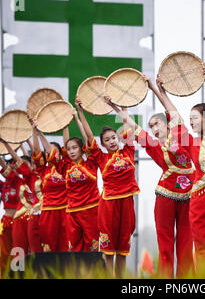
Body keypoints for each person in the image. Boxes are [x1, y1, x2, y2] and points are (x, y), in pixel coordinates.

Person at [106, 77, 195, 278]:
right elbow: (129, 124)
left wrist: (155, 88)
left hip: (189, 197)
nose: (154, 128)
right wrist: (114, 105)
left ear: (167, 123)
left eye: (157, 124)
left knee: (186, 245)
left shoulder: (181, 135)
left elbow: (172, 110)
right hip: (165, 197)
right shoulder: (154, 145)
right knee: (165, 246)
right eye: (151, 126)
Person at [153, 66, 205, 278]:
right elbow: (174, 115)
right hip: (198, 198)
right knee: (202, 248)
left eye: (195, 118)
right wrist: (161, 92)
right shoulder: (190, 141)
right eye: (190, 119)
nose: (190, 121)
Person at [77, 96, 139, 278]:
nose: (112, 141)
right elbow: (88, 136)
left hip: (127, 203)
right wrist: (80, 112)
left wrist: (116, 105)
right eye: (107, 139)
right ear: (102, 144)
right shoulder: (101, 157)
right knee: (108, 249)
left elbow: (127, 122)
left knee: (123, 249)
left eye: (114, 137)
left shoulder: (128, 150)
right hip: (108, 205)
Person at [56, 107, 100, 253]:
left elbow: (88, 137)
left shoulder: (91, 163)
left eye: (75, 148)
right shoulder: (66, 167)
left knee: (93, 249)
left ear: (82, 149)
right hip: (72, 213)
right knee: (74, 250)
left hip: (91, 211)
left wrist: (76, 118)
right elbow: (65, 142)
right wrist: (65, 124)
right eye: (69, 149)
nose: (72, 151)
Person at [31, 121, 69, 252]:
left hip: (65, 210)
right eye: (47, 151)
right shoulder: (43, 170)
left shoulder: (65, 167)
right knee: (48, 248)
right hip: (48, 212)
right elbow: (36, 150)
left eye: (52, 151)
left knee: (65, 247)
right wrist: (36, 131)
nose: (49, 153)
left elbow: (67, 142)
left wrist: (65, 124)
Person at [0, 154, 19, 277]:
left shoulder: (19, 182)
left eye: (9, 167)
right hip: (5, 222)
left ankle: (19, 275)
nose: (6, 170)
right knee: (3, 253)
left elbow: (2, 164)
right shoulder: (4, 186)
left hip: (18, 222)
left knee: (18, 252)